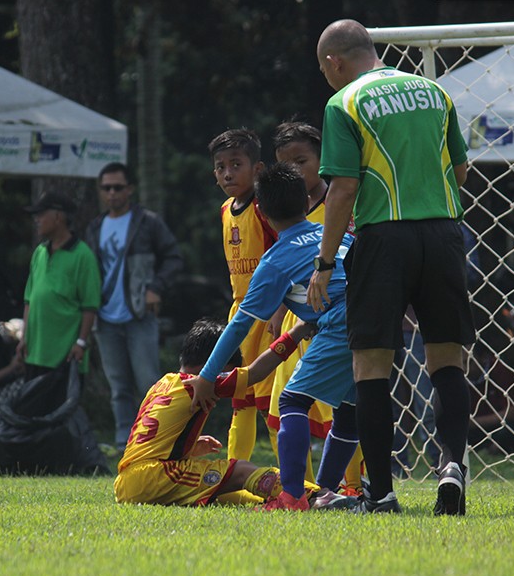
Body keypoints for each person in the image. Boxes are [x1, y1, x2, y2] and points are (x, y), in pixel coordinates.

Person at [308, 19, 473, 515]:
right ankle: (451, 467)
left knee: (371, 363)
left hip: (383, 238)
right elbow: (461, 170)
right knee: (447, 358)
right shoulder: (434, 93)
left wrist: (324, 262)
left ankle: (381, 493)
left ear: (334, 61)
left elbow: (342, 189)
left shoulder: (345, 103)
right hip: (445, 233)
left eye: (324, 69)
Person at [189, 163, 359, 511]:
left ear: (262, 213)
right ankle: (325, 491)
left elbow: (239, 327)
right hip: (375, 320)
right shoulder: (334, 232)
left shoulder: (275, 260)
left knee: (292, 402)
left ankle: (292, 496)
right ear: (305, 201)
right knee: (348, 409)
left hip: (341, 324)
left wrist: (206, 377)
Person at [115, 317, 318, 507]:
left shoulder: (161, 385)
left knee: (223, 492)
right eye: (227, 370)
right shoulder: (200, 383)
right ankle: (313, 494)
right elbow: (256, 373)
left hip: (126, 481)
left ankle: (284, 498)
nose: (227, 376)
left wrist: (189, 446)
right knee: (240, 470)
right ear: (214, 362)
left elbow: (149, 439)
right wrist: (297, 331)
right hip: (155, 477)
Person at [271, 120, 364, 494]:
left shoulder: (342, 199)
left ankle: (344, 485)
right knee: (291, 407)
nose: (295, 171)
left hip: (339, 314)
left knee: (327, 403)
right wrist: (278, 314)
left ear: (322, 159)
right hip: (302, 318)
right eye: (286, 164)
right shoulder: (285, 208)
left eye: (302, 160)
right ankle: (314, 486)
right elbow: (277, 267)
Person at [84, 163, 182, 448]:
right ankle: (123, 444)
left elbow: (174, 257)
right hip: (105, 316)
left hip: (140, 313)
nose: (112, 193)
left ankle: (155, 442)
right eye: (106, 188)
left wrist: (155, 287)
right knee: (118, 387)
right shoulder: (95, 226)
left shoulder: (147, 221)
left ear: (130, 189)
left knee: (149, 383)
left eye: (117, 187)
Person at [209, 128, 277, 462]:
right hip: (240, 314)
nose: (227, 173)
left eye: (236, 164)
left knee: (272, 402)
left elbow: (286, 255)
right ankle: (232, 476)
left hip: (271, 314)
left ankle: (301, 484)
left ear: (258, 169)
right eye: (221, 166)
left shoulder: (266, 208)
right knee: (240, 397)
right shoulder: (225, 211)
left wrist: (280, 311)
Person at [19, 191, 101, 383]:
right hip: (34, 353)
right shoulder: (39, 252)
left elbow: (90, 306)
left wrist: (81, 342)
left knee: (62, 411)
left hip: (65, 358)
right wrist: (24, 337)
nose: (36, 220)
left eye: (41, 214)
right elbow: (29, 300)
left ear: (58, 217)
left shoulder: (83, 256)